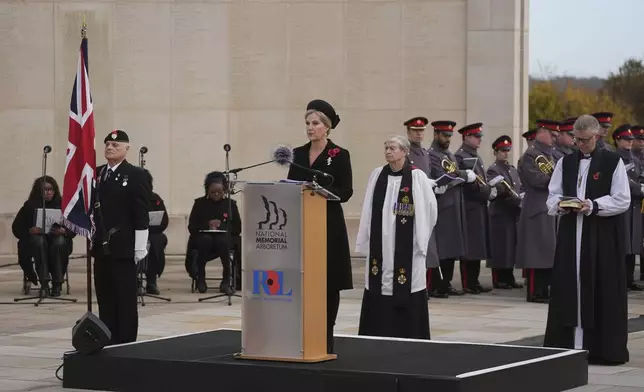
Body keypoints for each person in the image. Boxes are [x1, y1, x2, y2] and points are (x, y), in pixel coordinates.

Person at [544, 114, 630, 365]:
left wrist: (593, 205)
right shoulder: (566, 162)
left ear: (597, 135)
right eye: (576, 140)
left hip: (601, 234)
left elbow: (622, 199)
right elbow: (552, 195)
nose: (579, 145)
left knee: (601, 284)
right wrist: (561, 204)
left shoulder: (613, 162)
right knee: (569, 284)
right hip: (572, 233)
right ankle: (566, 345)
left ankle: (602, 348)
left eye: (584, 140)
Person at [287, 99, 353, 354]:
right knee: (303, 279)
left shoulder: (339, 154)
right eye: (307, 123)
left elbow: (346, 191)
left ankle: (326, 334)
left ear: (326, 127)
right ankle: (302, 332)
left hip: (328, 225)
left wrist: (321, 191)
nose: (310, 128)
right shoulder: (298, 154)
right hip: (302, 223)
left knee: (328, 281)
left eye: (315, 123)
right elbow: (291, 183)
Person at [355, 135, 437, 339]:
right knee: (378, 280)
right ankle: (376, 331)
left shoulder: (417, 178)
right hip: (380, 242)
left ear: (405, 151)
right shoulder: (377, 175)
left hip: (407, 245)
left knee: (408, 282)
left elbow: (430, 209)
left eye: (392, 148)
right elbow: (367, 208)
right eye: (386, 148)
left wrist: (421, 237)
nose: (388, 152)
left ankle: (409, 333)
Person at [91, 129, 151, 345]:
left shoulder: (136, 175)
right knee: (105, 297)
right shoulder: (96, 174)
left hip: (124, 246)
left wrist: (139, 246)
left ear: (127, 148)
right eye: (107, 144)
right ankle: (107, 339)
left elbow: (141, 212)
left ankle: (125, 342)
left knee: (124, 299)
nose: (110, 147)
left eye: (115, 145)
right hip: (101, 245)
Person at [426, 120, 476, 298]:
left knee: (451, 248)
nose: (447, 139)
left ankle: (445, 283)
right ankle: (435, 285)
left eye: (449, 136)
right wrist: (463, 175)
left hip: (454, 205)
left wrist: (459, 176)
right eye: (444, 135)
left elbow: (453, 174)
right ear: (436, 135)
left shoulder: (449, 154)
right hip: (442, 206)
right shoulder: (431, 154)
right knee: (440, 248)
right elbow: (442, 176)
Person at [12, 176, 75, 296]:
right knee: (38, 241)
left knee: (60, 241)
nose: (49, 192)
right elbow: (16, 228)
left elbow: (73, 227)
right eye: (45, 190)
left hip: (56, 241)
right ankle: (44, 283)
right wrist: (30, 230)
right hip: (36, 243)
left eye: (51, 189)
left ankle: (57, 283)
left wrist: (64, 231)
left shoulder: (63, 204)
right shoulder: (29, 205)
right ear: (39, 191)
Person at [516, 125, 556, 303]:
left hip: (547, 207)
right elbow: (537, 180)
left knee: (547, 252)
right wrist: (558, 178)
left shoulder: (550, 154)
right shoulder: (531, 155)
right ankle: (534, 291)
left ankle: (544, 289)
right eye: (551, 134)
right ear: (541, 133)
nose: (554, 138)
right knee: (535, 254)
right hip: (535, 208)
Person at [455, 123, 495, 294]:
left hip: (478, 206)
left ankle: (474, 280)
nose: (479, 140)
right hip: (470, 206)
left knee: (478, 245)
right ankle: (468, 282)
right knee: (470, 247)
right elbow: (466, 183)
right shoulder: (461, 156)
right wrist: (485, 190)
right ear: (466, 137)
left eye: (479, 137)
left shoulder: (474, 156)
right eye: (476, 137)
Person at [186, 171, 242, 294]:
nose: (216, 194)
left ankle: (226, 280)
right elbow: (192, 226)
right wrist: (207, 225)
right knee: (205, 240)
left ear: (224, 190)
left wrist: (222, 226)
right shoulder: (199, 204)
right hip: (204, 239)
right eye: (213, 192)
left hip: (223, 240)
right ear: (207, 190)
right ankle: (201, 278)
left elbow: (237, 227)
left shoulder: (230, 204)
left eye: (220, 192)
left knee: (223, 241)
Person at [403, 116, 440, 297]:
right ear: (408, 132)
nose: (419, 134)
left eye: (421, 130)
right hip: (411, 203)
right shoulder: (406, 153)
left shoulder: (425, 153)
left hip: (425, 203)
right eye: (415, 130)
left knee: (425, 246)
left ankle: (424, 285)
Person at [486, 136, 523, 289]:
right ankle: (499, 278)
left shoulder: (512, 169)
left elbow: (519, 186)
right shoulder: (493, 169)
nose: (505, 154)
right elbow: (499, 190)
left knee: (510, 247)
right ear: (495, 152)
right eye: (502, 151)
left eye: (507, 150)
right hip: (500, 212)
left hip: (511, 213)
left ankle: (509, 276)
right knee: (500, 247)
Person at [612, 124, 643, 291]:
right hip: (623, 206)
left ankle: (629, 279)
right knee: (622, 244)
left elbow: (639, 178)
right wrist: (639, 188)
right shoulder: (615, 158)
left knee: (632, 244)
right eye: (626, 139)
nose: (630, 142)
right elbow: (625, 183)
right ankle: (620, 279)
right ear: (617, 140)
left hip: (635, 206)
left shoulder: (635, 159)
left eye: (631, 139)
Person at [143, 170, 169, 295]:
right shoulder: (129, 197)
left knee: (158, 240)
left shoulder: (155, 199)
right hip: (134, 232)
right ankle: (134, 281)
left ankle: (151, 281)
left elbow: (164, 221)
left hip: (152, 232)